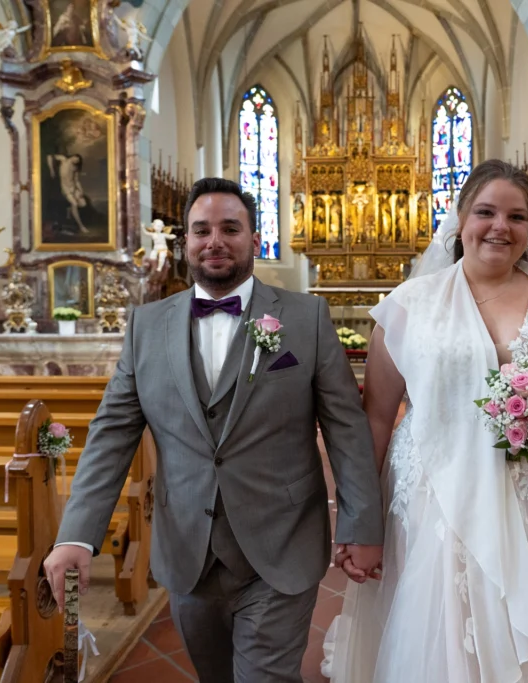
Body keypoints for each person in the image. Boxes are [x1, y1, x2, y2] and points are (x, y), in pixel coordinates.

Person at [44, 177, 385, 683]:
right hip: (186, 550)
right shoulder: (146, 326)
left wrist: (361, 524)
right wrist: (76, 535)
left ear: (253, 237)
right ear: (186, 241)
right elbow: (112, 433)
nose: (215, 241)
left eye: (230, 228)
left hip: (282, 543)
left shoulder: (306, 317)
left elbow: (346, 428)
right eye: (201, 230)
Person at [322, 160, 528, 683]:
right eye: (486, 212)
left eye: (517, 217)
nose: (501, 226)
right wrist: (358, 520)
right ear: (459, 219)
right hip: (434, 491)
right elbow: (378, 418)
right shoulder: (408, 306)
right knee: (443, 624)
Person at [47, 153, 89, 234]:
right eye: (76, 158)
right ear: (73, 156)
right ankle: (81, 226)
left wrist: (81, 190)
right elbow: (49, 156)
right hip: (66, 189)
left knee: (83, 204)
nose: (76, 160)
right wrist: (51, 169)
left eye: (78, 160)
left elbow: (76, 181)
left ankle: (70, 212)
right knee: (74, 204)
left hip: (73, 188)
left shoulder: (75, 167)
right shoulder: (63, 159)